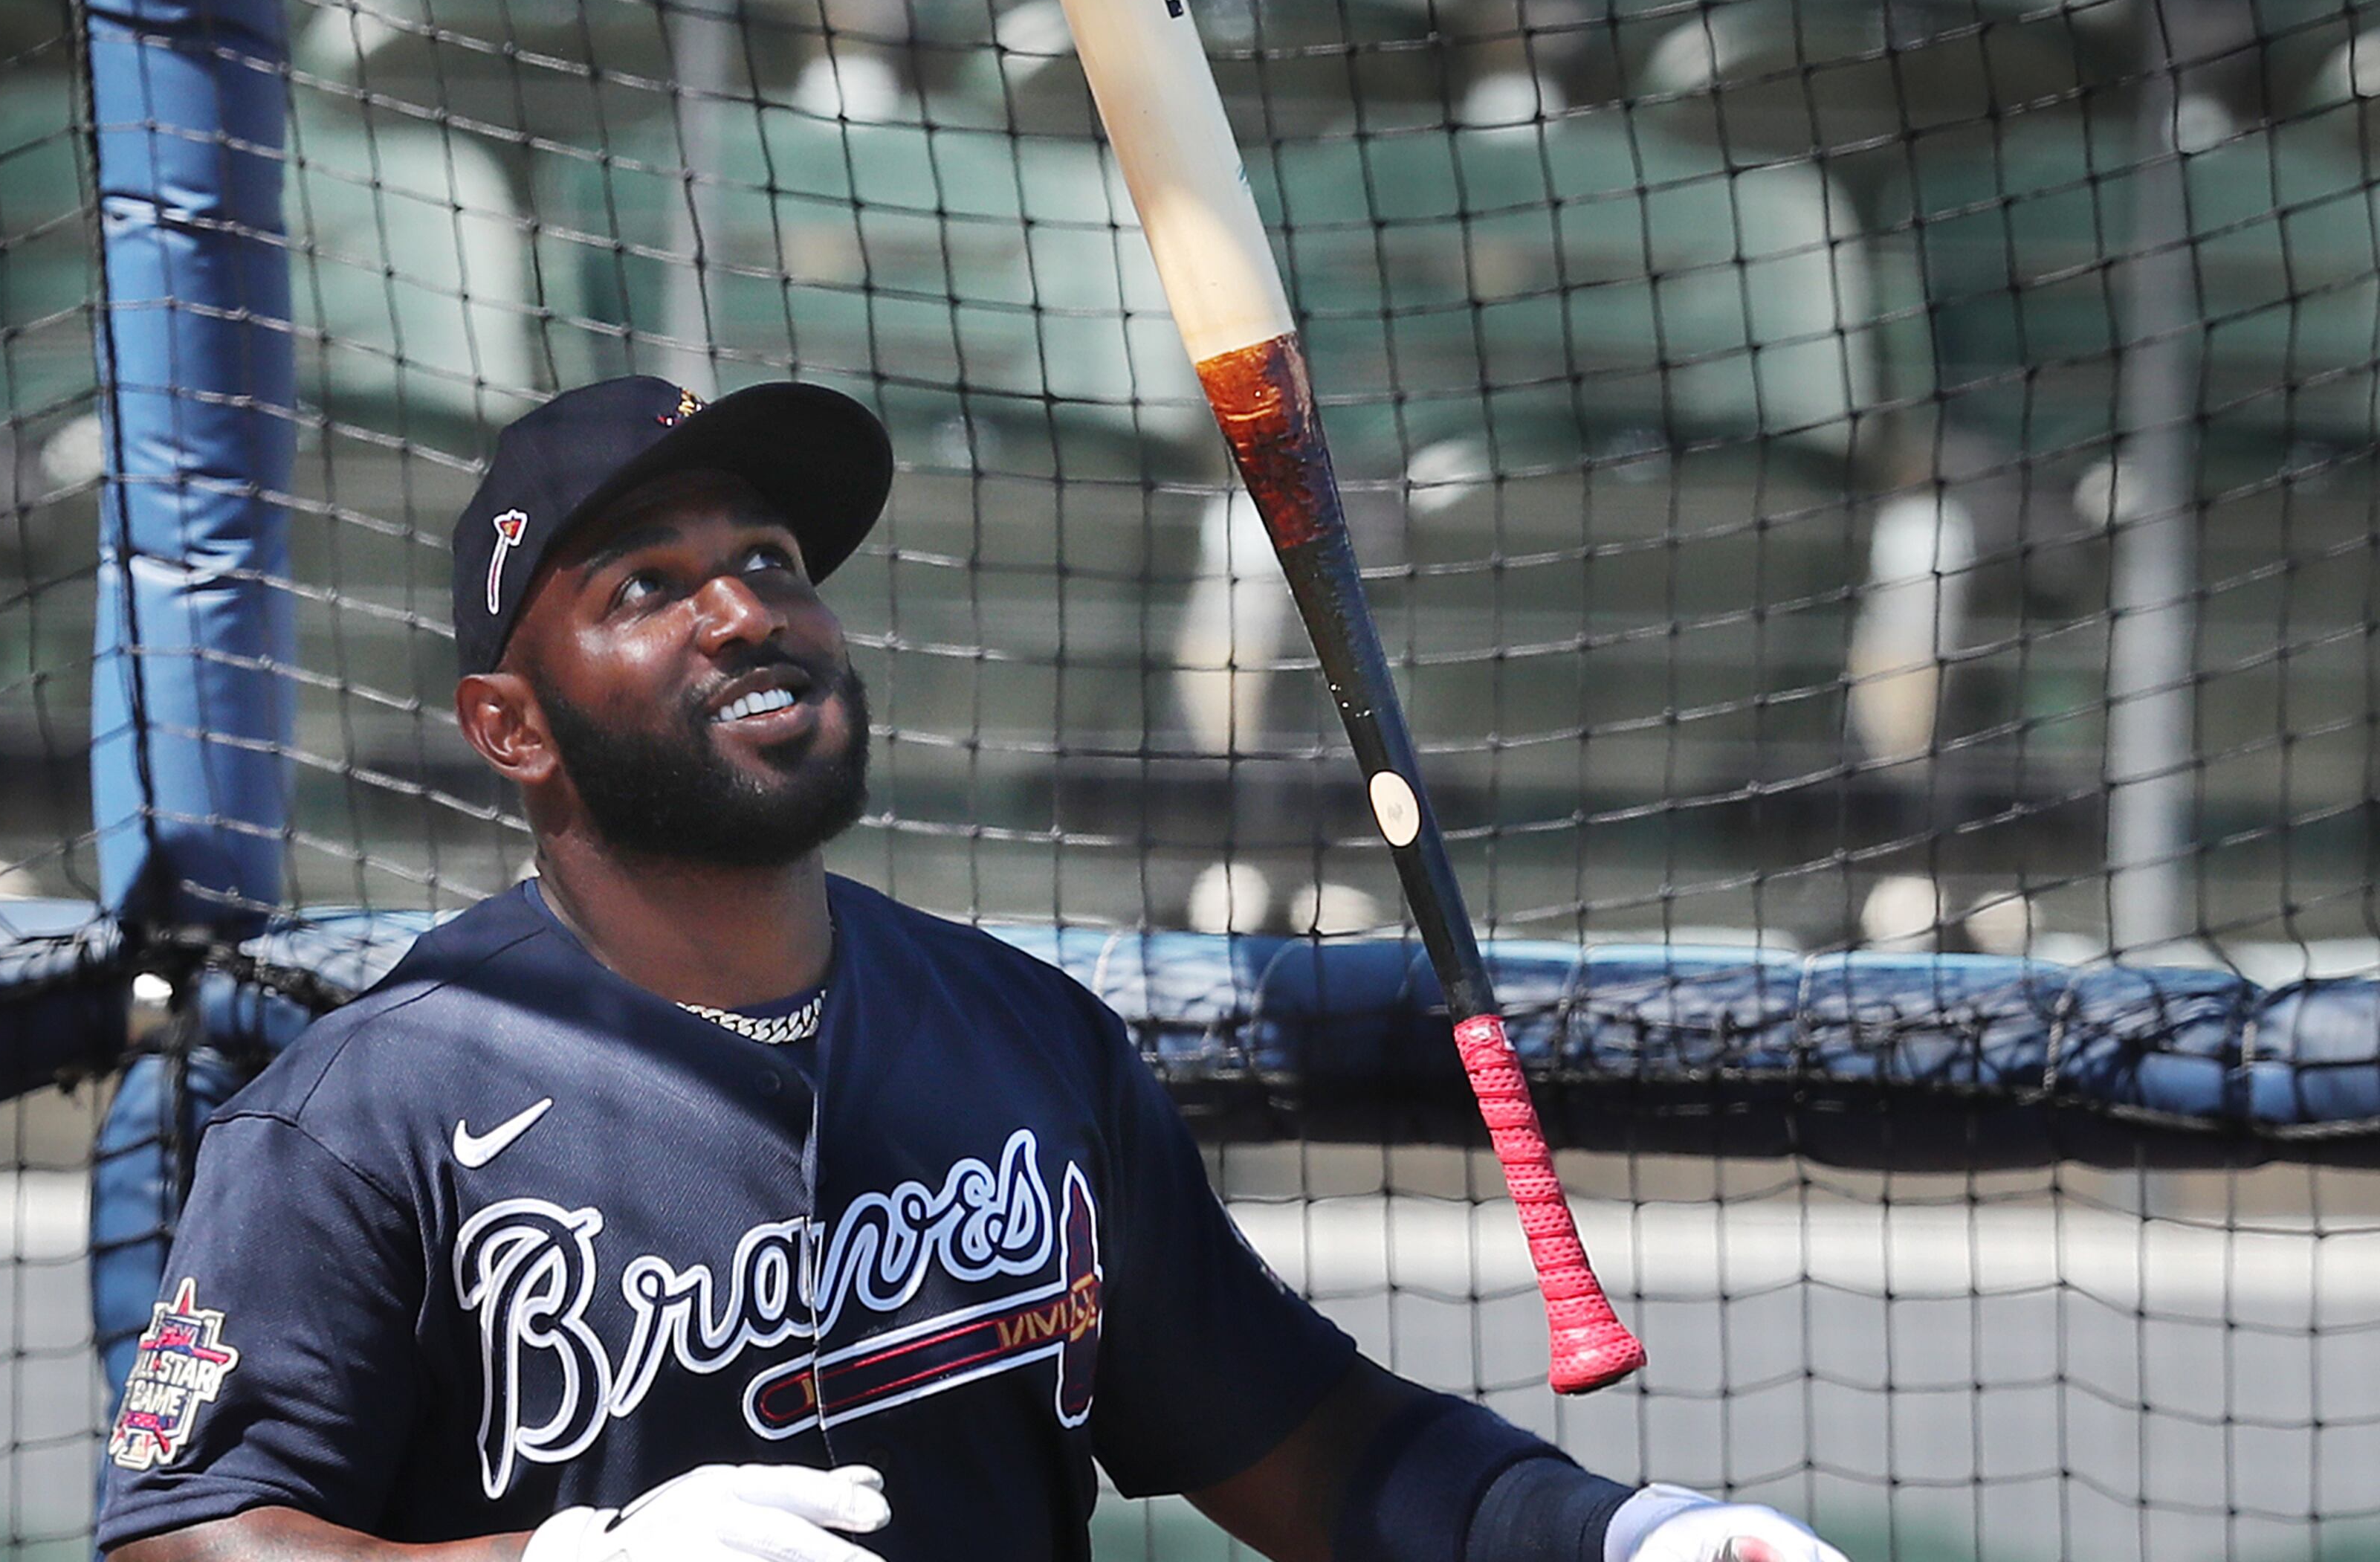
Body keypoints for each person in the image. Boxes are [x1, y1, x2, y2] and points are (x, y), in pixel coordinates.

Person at [94, 377, 1849, 1562]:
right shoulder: (371, 1106)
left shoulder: (1025, 1038)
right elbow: (192, 1538)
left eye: (769, 562)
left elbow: (1312, 1443)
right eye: (648, 585)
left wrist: (1620, 1535)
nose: (742, 611)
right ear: (510, 728)